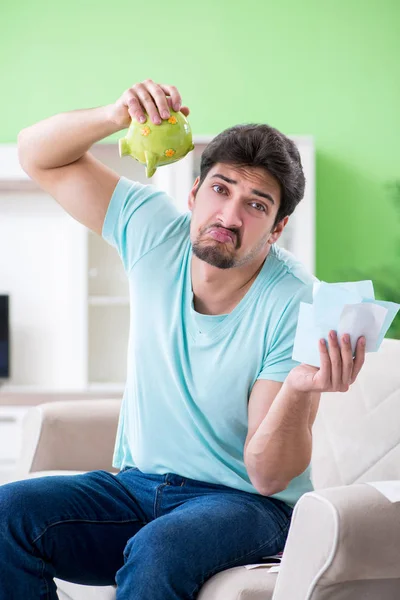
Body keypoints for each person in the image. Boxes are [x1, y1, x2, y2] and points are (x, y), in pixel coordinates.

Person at [3, 79, 366, 599]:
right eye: (221, 190)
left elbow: (267, 477)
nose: (229, 216)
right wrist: (115, 114)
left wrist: (299, 388)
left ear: (277, 228)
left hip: (244, 507)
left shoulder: (296, 301)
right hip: (135, 487)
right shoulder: (153, 230)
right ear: (194, 194)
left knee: (160, 548)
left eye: (256, 205)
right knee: (6, 516)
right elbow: (36, 154)